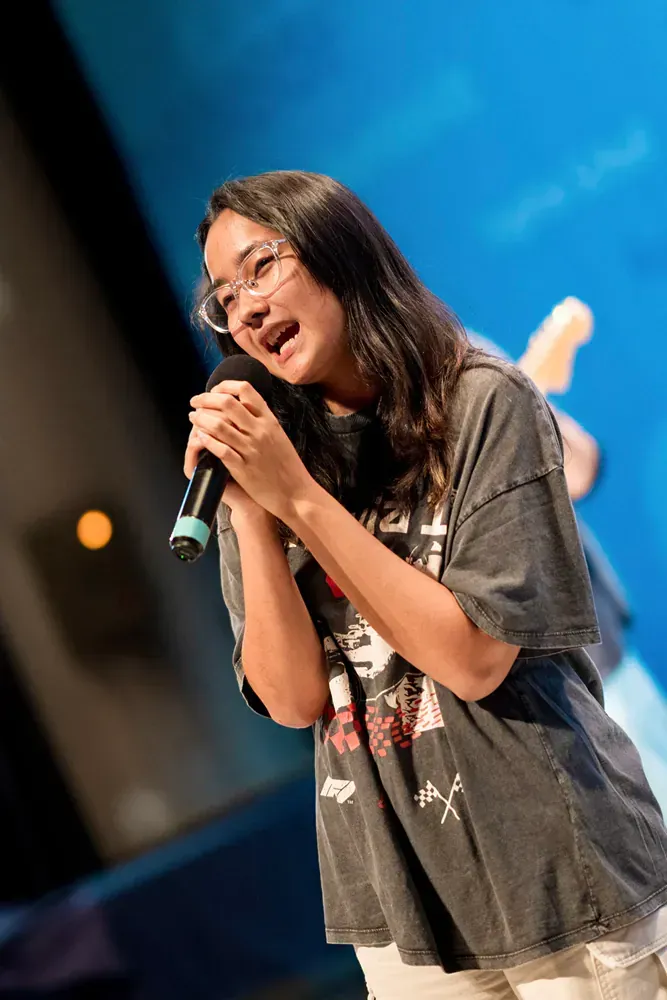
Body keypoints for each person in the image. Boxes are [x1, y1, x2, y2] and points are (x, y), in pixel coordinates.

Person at [185, 171, 667, 999]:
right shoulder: (268, 452)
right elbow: (295, 700)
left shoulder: (481, 398)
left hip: (558, 871)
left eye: (259, 267)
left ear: (337, 251)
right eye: (223, 297)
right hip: (399, 903)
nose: (245, 308)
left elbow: (473, 660)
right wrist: (252, 521)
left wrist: (298, 496)